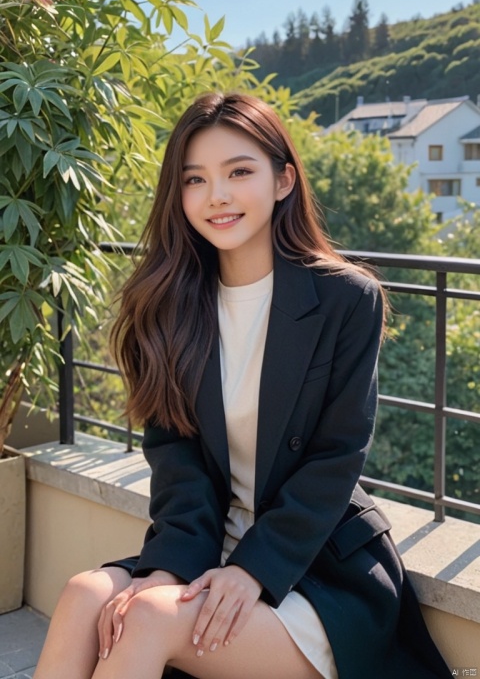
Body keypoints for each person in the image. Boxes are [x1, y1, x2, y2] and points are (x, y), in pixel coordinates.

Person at [33, 93, 451, 679]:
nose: (217, 196)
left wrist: (252, 570)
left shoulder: (345, 298)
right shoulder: (173, 304)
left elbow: (336, 458)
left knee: (148, 619)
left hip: (314, 565)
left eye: (239, 172)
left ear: (283, 180)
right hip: (207, 545)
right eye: (195, 179)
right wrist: (167, 569)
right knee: (84, 594)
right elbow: (176, 459)